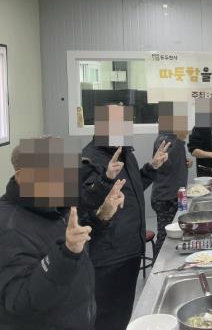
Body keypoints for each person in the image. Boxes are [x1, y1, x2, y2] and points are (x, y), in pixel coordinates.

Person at [0, 138, 124, 330]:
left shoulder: (52, 204)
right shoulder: (7, 226)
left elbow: (74, 240)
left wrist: (102, 216)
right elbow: (21, 301)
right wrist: (67, 253)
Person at [80, 128, 170, 330]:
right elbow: (83, 211)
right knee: (107, 318)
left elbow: (133, 189)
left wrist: (152, 167)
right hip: (109, 255)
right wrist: (105, 190)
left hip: (131, 247)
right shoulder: (89, 160)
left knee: (122, 313)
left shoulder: (126, 153)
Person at [150, 102, 192, 256]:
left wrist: (185, 161)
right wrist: (180, 141)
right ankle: (157, 267)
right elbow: (166, 165)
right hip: (165, 198)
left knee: (176, 233)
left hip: (176, 195)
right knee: (164, 236)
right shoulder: (163, 139)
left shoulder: (173, 138)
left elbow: (173, 162)